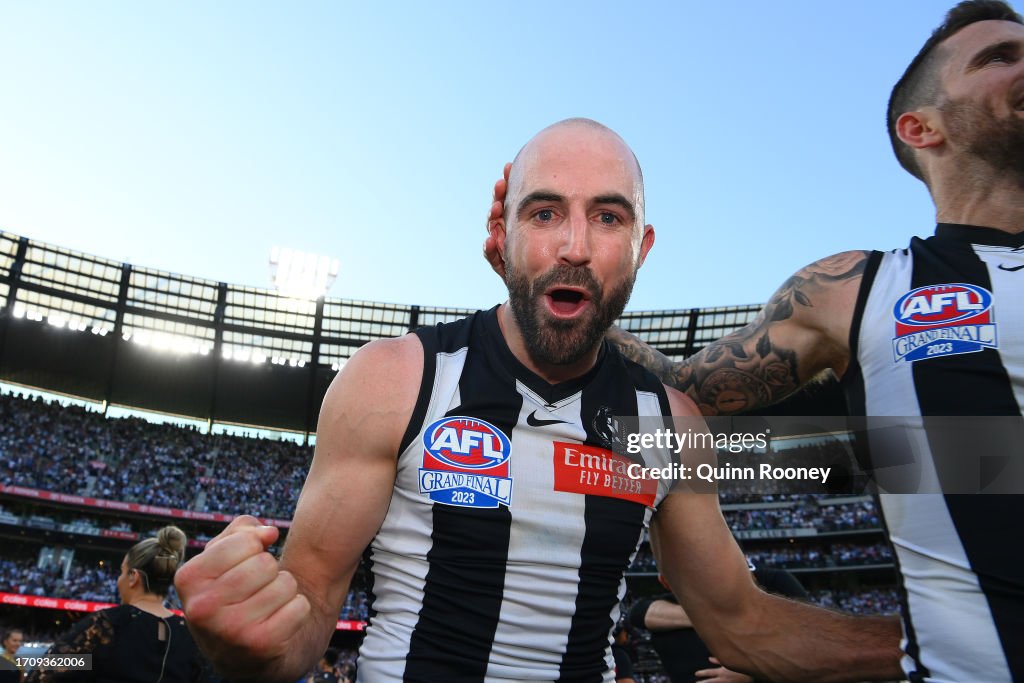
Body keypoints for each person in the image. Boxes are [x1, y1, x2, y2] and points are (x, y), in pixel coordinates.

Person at [176, 118, 901, 683]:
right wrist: (253, 644)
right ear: (504, 236)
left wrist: (963, 639)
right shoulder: (396, 380)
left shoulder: (670, 427)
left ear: (642, 246)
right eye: (546, 212)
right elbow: (303, 622)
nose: (576, 245)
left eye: (609, 217)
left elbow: (744, 623)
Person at [478, 2, 1024, 681]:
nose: (1021, 62)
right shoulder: (856, 292)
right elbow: (686, 388)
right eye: (1000, 56)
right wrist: (542, 280)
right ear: (921, 127)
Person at [26, 526, 208, 682]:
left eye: (122, 571)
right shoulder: (190, 637)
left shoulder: (106, 625)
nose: (118, 580)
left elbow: (43, 674)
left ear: (133, 577)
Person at [629, 564, 809, 683]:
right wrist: (720, 617)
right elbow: (641, 613)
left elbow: (811, 641)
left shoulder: (772, 581)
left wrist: (753, 674)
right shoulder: (681, 599)